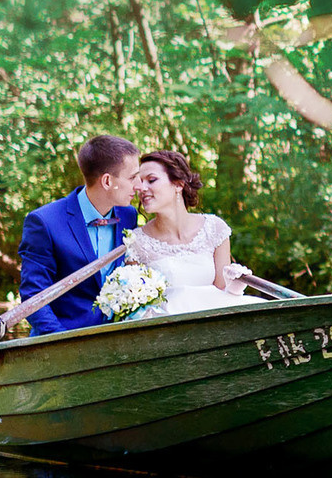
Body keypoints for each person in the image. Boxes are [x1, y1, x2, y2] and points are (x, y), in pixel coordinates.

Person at [17, 135, 141, 334]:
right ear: (107, 181)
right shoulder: (44, 222)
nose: (139, 185)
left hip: (119, 339)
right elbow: (34, 296)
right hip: (63, 340)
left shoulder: (128, 216)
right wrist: (63, 343)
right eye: (132, 177)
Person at [124, 148, 253, 316]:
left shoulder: (214, 228)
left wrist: (235, 286)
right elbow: (137, 310)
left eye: (151, 180)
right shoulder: (136, 243)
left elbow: (223, 293)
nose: (142, 188)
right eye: (140, 182)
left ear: (178, 184)